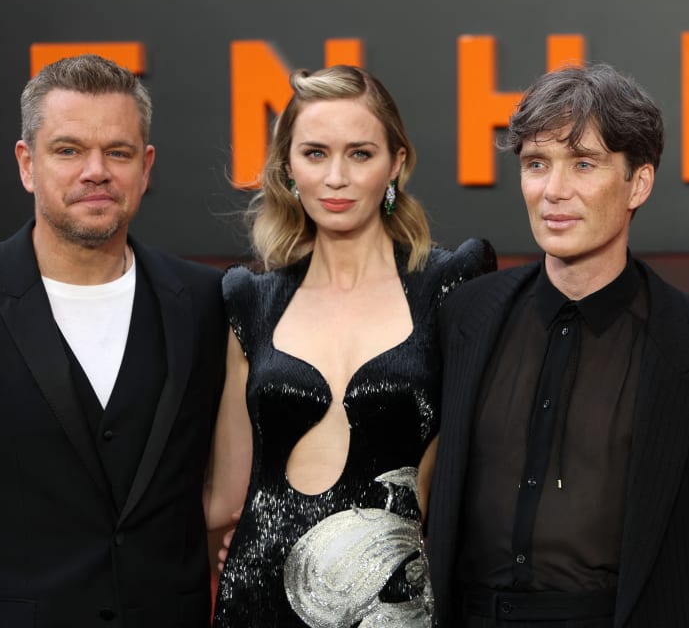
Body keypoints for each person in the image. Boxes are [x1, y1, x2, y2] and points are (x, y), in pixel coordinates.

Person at [426, 63, 689, 627]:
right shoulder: (465, 316)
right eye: (537, 164)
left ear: (640, 183)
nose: (554, 191)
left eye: (584, 164)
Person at [0, 54, 227, 626]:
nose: (96, 171)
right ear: (26, 164)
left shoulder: (206, 300)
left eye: (117, 152)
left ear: (145, 168)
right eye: (68, 150)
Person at [204, 65, 495, 627]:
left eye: (360, 154)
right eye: (315, 154)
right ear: (288, 168)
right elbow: (223, 494)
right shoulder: (251, 302)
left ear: (396, 164)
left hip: (393, 603)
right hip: (258, 593)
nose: (336, 177)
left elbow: (479, 454)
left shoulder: (450, 286)